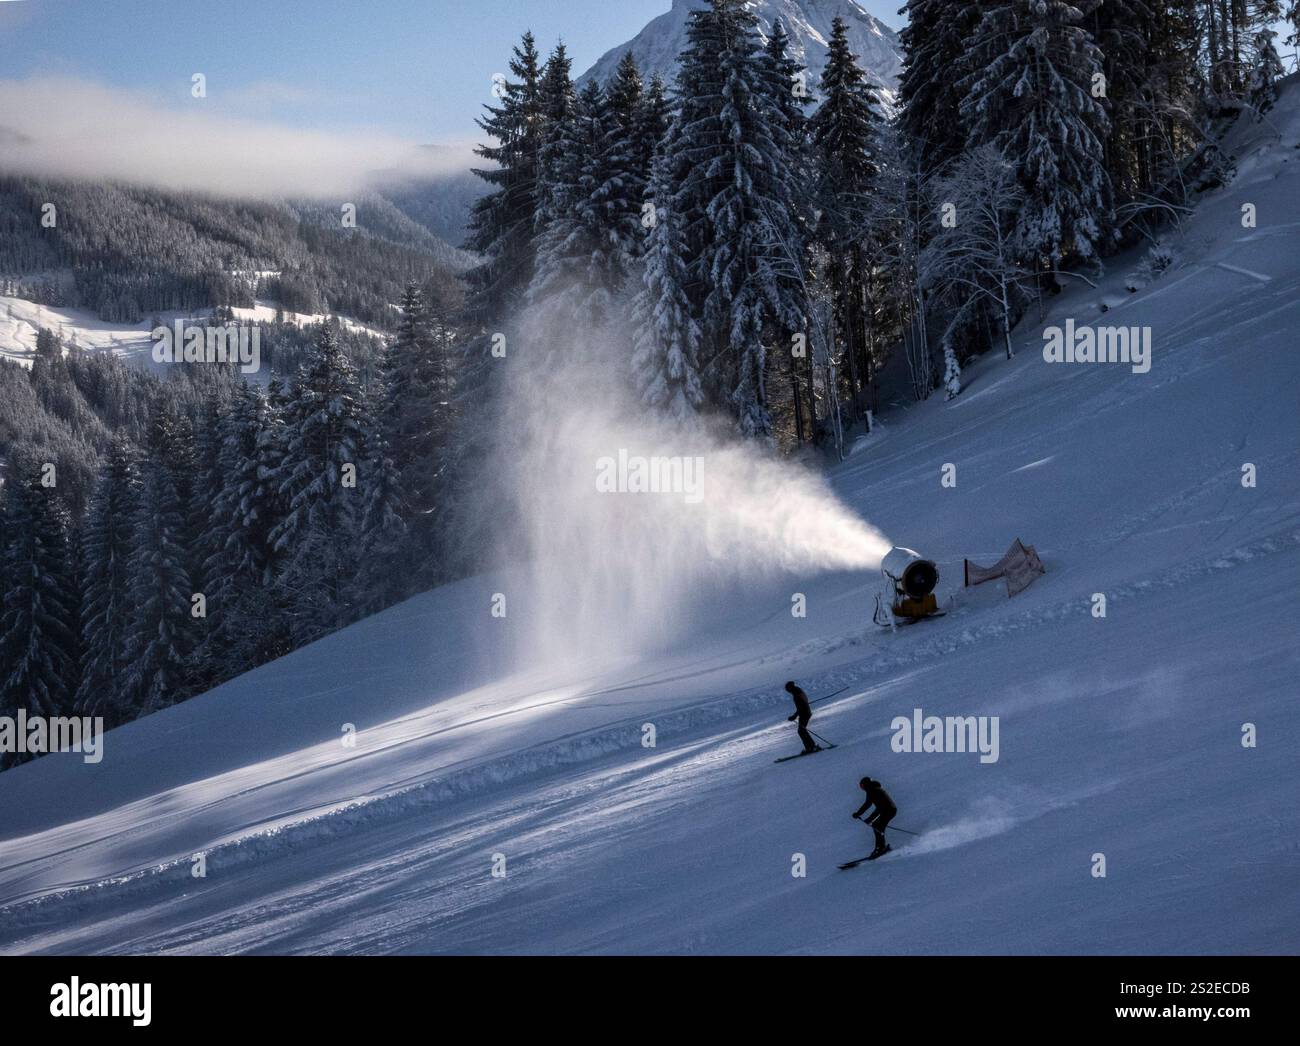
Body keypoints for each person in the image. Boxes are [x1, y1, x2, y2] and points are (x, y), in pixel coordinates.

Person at [853, 776, 897, 858]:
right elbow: (878, 807)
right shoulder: (874, 789)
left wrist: (859, 814)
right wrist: (869, 818)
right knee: (877, 826)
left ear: (865, 784)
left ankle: (880, 848)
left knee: (877, 826)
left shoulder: (872, 790)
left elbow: (868, 804)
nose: (862, 788)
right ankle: (880, 848)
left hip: (888, 810)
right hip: (889, 810)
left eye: (862, 786)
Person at [784, 681, 819, 754]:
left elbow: (800, 707)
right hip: (806, 713)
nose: (788, 691)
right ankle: (812, 746)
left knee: (801, 731)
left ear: (790, 688)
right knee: (802, 730)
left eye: (787, 690)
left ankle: (810, 747)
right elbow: (802, 704)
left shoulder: (797, 694)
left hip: (804, 714)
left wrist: (794, 716)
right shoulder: (798, 691)